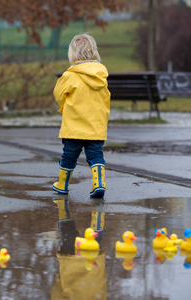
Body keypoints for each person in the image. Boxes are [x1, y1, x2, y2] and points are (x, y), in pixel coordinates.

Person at [52, 33, 110, 198]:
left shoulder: (70, 75)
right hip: (96, 125)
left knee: (69, 155)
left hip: (74, 126)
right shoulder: (102, 76)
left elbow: (58, 94)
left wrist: (64, 106)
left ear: (73, 53)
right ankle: (99, 184)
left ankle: (62, 185)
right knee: (95, 154)